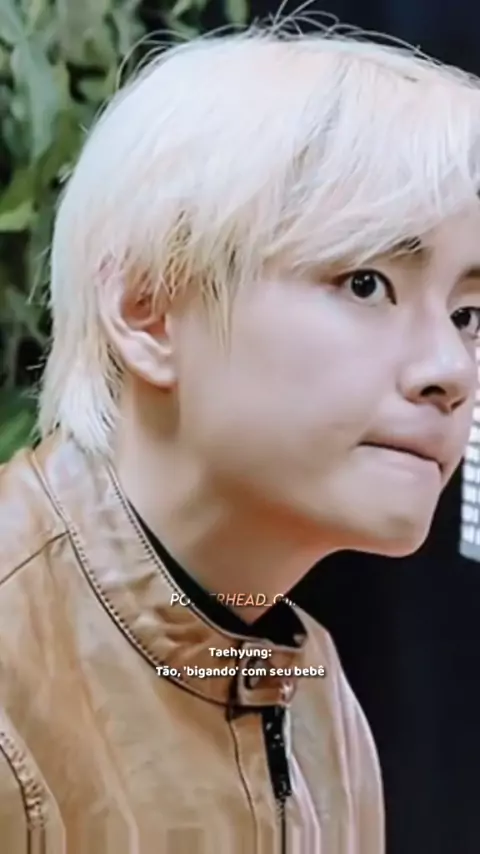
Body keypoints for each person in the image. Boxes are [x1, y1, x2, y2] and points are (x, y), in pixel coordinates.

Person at [1, 21, 480, 854]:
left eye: (468, 314)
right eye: (365, 283)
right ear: (148, 310)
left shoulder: (312, 690)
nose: (450, 369)